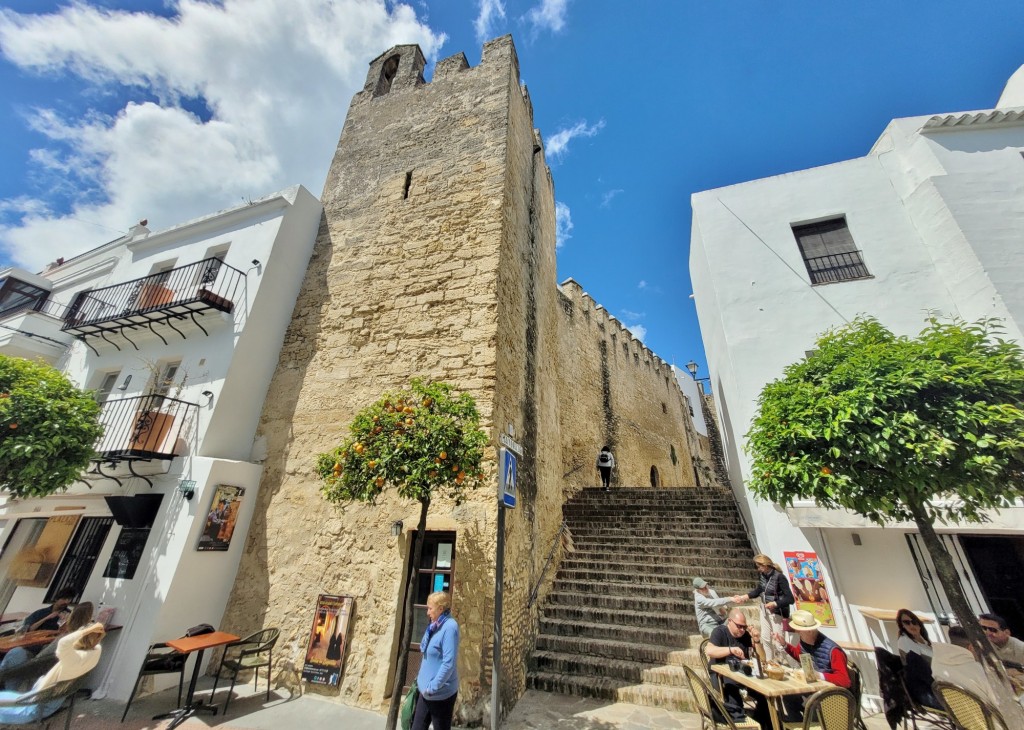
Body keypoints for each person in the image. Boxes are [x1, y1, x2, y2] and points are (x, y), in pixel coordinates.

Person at [0, 622, 105, 724]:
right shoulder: (95, 653)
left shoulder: (72, 658)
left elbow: (63, 642)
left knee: (16, 653)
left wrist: (84, 631)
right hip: (46, 703)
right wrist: (92, 632)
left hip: (34, 708)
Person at [0, 603, 94, 692]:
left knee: (16, 653)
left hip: (35, 675)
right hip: (52, 673)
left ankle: (9, 691)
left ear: (72, 618)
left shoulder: (64, 640)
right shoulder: (82, 639)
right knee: (16, 654)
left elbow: (38, 660)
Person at [778, 609, 850, 722]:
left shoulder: (833, 650)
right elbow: (800, 655)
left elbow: (845, 680)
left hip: (831, 698)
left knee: (811, 706)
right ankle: (799, 726)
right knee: (789, 697)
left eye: (799, 631)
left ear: (809, 631)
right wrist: (785, 645)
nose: (797, 633)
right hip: (814, 692)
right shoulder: (805, 641)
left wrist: (819, 675)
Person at [705, 608, 769, 728]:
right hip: (722, 676)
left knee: (765, 696)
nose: (741, 630)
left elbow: (762, 659)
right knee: (732, 692)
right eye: (739, 626)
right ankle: (738, 723)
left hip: (743, 675)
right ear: (730, 621)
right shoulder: (720, 632)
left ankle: (763, 723)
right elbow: (710, 650)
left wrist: (756, 640)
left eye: (744, 627)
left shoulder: (745, 636)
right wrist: (730, 649)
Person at [413, 591, 459, 730]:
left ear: (440, 609)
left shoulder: (450, 627)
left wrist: (433, 687)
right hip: (425, 692)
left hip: (440, 694)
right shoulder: (435, 625)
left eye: (430, 608)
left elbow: (448, 663)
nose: (427, 612)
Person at [932, 626, 999, 705]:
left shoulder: (936, 663)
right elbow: (997, 701)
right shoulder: (977, 669)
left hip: (959, 714)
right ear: (971, 647)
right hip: (987, 715)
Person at [746, 554, 794, 663]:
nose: (758, 569)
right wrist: (746, 596)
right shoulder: (764, 576)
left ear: (766, 565)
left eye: (759, 567)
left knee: (778, 641)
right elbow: (759, 590)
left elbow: (790, 599)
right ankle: (770, 662)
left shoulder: (779, 577)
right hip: (765, 610)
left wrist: (775, 604)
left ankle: (789, 664)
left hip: (776, 612)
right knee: (766, 638)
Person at [894, 608, 936, 708]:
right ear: (902, 625)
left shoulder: (925, 641)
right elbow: (919, 668)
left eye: (914, 621)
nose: (911, 625)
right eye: (907, 622)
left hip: (937, 684)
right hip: (924, 688)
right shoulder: (904, 641)